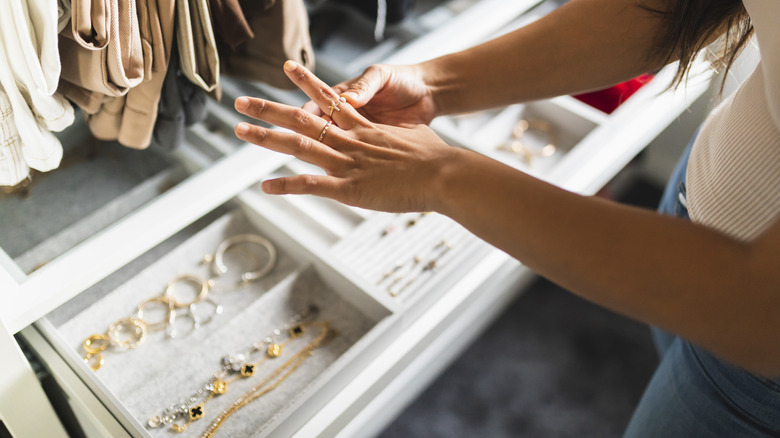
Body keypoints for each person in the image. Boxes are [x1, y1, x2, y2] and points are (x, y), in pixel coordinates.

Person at [232, 0, 780, 435]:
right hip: (692, 210)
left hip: (752, 365)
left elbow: (761, 312)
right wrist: (435, 83)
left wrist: (440, 174)